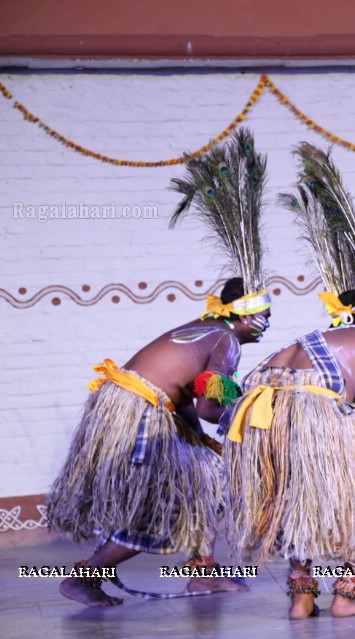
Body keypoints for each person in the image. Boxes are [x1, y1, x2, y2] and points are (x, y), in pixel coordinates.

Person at [48, 128, 273, 607]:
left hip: (129, 408)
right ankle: (87, 575)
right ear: (238, 314)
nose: (266, 326)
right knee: (164, 502)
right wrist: (251, 412)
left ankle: (201, 570)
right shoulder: (227, 341)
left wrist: (202, 439)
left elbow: (186, 403)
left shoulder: (203, 328)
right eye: (261, 316)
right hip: (140, 415)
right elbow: (212, 407)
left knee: (197, 478)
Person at [227, 143, 355, 619]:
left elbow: (259, 376)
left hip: (265, 413)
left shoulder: (309, 338)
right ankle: (347, 597)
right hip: (313, 409)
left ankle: (301, 596)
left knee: (298, 501)